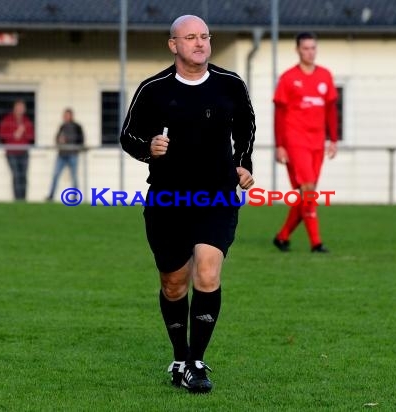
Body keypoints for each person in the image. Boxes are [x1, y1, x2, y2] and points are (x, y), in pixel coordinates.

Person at [120, 15, 255, 393]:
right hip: (168, 199)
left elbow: (246, 125)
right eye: (190, 37)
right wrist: (148, 148)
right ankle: (180, 357)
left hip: (217, 195)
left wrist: (243, 163)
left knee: (208, 273)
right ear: (173, 45)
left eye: (205, 37)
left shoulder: (230, 85)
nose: (199, 43)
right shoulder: (154, 89)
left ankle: (196, 361)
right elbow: (127, 135)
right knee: (174, 284)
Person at [272, 31, 338, 253]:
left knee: (306, 196)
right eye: (306, 48)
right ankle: (316, 243)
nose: (310, 52)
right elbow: (279, 114)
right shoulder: (288, 78)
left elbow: (330, 110)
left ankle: (282, 237)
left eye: (313, 48)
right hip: (295, 139)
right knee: (308, 190)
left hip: (317, 141)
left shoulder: (326, 76)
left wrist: (333, 139)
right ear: (298, 50)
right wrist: (279, 144)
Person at [0, 99, 34, 201]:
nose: (20, 109)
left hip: (24, 152)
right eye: (18, 107)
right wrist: (14, 134)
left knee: (24, 176)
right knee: (16, 176)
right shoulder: (7, 120)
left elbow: (31, 136)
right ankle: (17, 199)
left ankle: (23, 199)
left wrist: (23, 132)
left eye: (22, 107)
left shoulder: (26, 121)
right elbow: (2, 135)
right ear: (14, 108)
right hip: (11, 152)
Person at [46, 108, 85, 201]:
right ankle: (51, 196)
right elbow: (57, 138)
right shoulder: (62, 126)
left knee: (74, 176)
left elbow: (80, 140)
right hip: (61, 155)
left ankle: (75, 197)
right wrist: (59, 141)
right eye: (65, 115)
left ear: (71, 116)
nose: (66, 117)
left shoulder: (77, 126)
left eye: (67, 115)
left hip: (72, 155)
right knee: (55, 175)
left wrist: (67, 140)